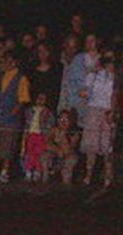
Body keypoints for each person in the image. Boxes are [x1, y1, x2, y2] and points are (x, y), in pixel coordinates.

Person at [0, 50, 31, 183]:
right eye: (4, 61)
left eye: (7, 61)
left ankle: (5, 171)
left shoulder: (21, 78)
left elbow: (22, 100)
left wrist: (12, 113)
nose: (4, 64)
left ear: (14, 63)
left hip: (11, 118)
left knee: (8, 145)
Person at [81, 50, 116, 188]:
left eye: (111, 60)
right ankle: (88, 174)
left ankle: (108, 176)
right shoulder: (94, 75)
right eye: (107, 60)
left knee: (107, 145)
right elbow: (84, 92)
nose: (109, 64)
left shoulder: (117, 77)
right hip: (94, 109)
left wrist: (113, 111)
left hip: (108, 111)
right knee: (91, 145)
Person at [22, 92, 55, 182]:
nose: (40, 100)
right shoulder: (29, 110)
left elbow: (51, 124)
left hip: (41, 135)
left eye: (43, 99)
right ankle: (28, 171)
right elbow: (26, 122)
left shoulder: (48, 112)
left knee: (39, 154)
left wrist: (46, 128)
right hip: (30, 134)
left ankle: (37, 171)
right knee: (29, 153)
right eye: (39, 98)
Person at [41, 109, 80, 185]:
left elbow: (71, 148)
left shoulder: (74, 133)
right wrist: (57, 149)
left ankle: (66, 181)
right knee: (44, 156)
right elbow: (47, 143)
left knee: (72, 159)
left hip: (67, 156)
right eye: (61, 119)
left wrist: (64, 137)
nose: (63, 121)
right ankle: (45, 179)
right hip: (55, 155)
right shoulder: (53, 130)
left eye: (66, 119)